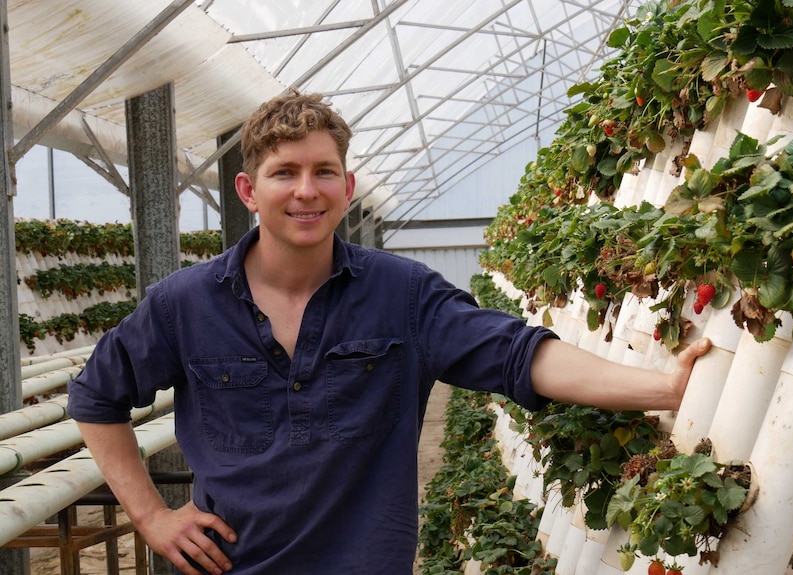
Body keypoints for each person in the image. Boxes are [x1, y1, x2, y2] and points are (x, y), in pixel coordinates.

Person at [68, 90, 711, 575]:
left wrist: (661, 389)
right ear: (248, 189)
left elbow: (519, 356)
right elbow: (96, 397)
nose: (306, 191)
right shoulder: (186, 303)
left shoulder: (402, 295)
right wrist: (151, 516)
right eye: (284, 172)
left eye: (323, 172)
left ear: (347, 187)